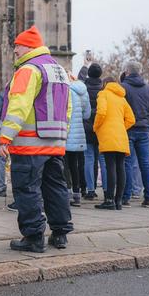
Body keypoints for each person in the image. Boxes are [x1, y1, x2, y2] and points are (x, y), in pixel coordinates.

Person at [0, 26, 73, 253]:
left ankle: (33, 237)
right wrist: (62, 135)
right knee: (55, 187)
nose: (15, 52)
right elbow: (67, 108)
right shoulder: (59, 70)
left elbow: (18, 106)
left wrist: (5, 137)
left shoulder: (28, 70)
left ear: (28, 46)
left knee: (27, 189)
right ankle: (60, 234)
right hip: (55, 143)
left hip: (30, 144)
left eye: (17, 47)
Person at [121, 61, 149, 208]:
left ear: (127, 72)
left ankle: (125, 197)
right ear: (140, 72)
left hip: (127, 129)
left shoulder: (123, 87)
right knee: (145, 164)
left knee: (127, 162)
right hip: (144, 130)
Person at [93, 77, 135, 210]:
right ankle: (119, 201)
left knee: (110, 166)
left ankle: (109, 200)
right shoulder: (122, 98)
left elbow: (101, 112)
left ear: (105, 84)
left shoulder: (103, 94)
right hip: (121, 135)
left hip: (108, 134)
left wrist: (96, 127)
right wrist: (121, 126)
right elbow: (131, 119)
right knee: (120, 167)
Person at [79, 61, 107, 200]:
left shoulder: (84, 87)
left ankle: (90, 189)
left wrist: (85, 65)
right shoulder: (103, 89)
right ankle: (107, 190)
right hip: (101, 127)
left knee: (88, 159)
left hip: (87, 127)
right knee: (102, 159)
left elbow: (79, 78)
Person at [65, 76, 91, 207]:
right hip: (79, 133)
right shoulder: (83, 92)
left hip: (67, 131)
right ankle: (77, 194)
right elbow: (87, 115)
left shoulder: (65, 90)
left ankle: (67, 194)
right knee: (74, 165)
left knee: (65, 165)